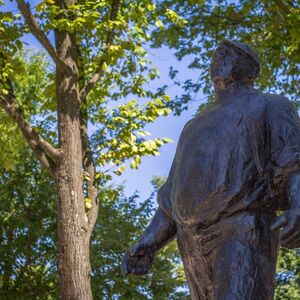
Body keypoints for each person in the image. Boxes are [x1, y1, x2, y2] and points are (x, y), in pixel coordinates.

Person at [122, 40, 300, 300]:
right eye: (216, 53)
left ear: (250, 70)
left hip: (243, 226)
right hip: (192, 239)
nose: (218, 57)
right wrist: (149, 241)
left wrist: (298, 205)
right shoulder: (193, 127)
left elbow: (293, 159)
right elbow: (173, 195)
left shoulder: (270, 105)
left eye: (229, 53)